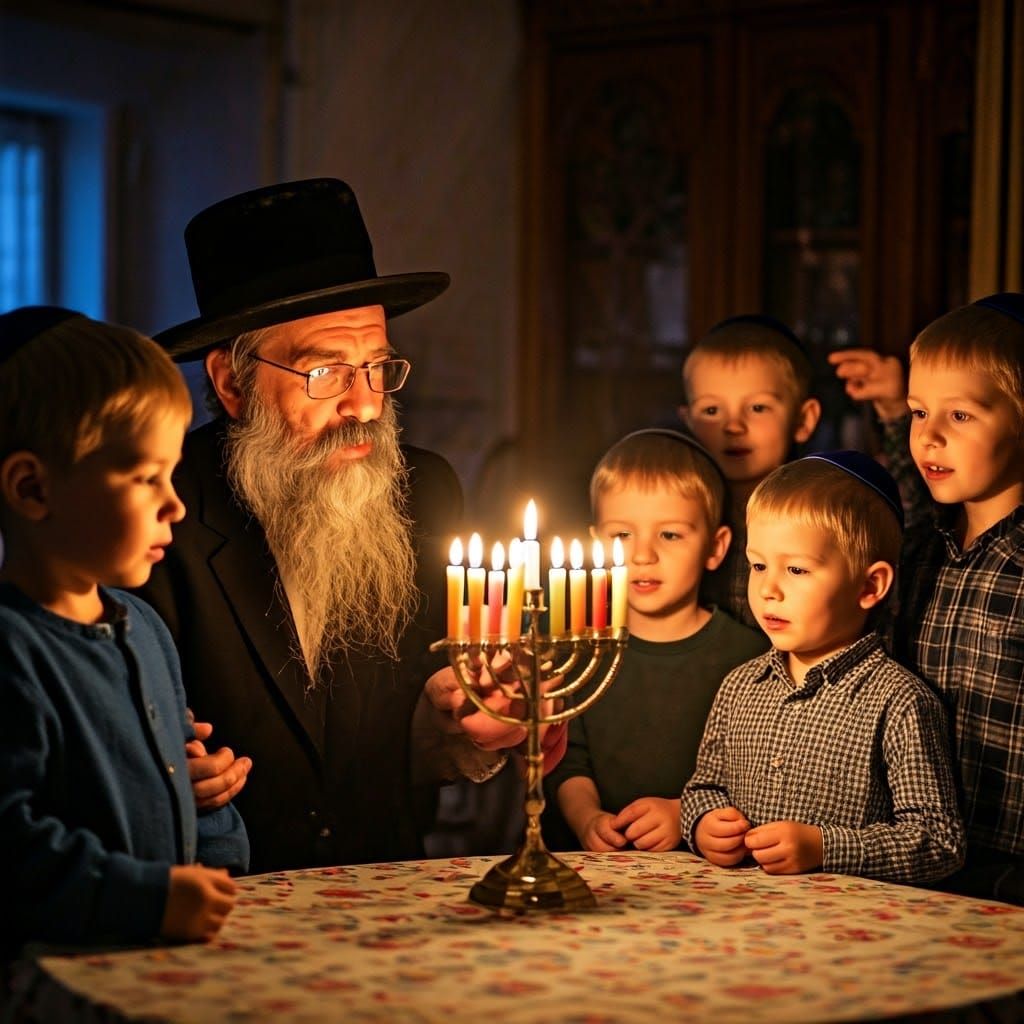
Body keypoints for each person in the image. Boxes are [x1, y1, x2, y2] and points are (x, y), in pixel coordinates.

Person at [140, 178, 540, 873]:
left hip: (385, 898)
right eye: (325, 371)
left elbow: (405, 748)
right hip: (219, 905)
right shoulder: (158, 507)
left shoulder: (425, 492)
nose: (365, 406)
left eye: (378, 367)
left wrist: (454, 715)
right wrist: (164, 779)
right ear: (231, 383)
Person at [0, 307, 249, 954]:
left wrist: (212, 823)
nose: (177, 505)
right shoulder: (12, 650)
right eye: (146, 478)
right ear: (32, 488)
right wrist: (145, 898)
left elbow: (174, 785)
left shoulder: (142, 628)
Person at [680, 451, 964, 884]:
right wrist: (703, 825)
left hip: (847, 933)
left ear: (870, 586)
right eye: (758, 565)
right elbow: (704, 788)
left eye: (796, 569)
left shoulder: (899, 702)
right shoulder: (740, 687)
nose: (769, 589)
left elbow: (937, 841)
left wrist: (825, 847)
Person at [545, 429, 768, 852]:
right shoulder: (577, 652)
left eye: (669, 534)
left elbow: (760, 774)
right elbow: (564, 758)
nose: (643, 554)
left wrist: (686, 814)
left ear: (716, 546)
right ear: (596, 545)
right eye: (622, 535)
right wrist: (587, 820)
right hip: (590, 870)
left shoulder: (751, 658)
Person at [679, 314, 821, 627]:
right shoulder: (680, 515)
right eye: (711, 410)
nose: (733, 426)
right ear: (688, 421)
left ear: (803, 420)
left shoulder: (817, 515)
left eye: (757, 407)